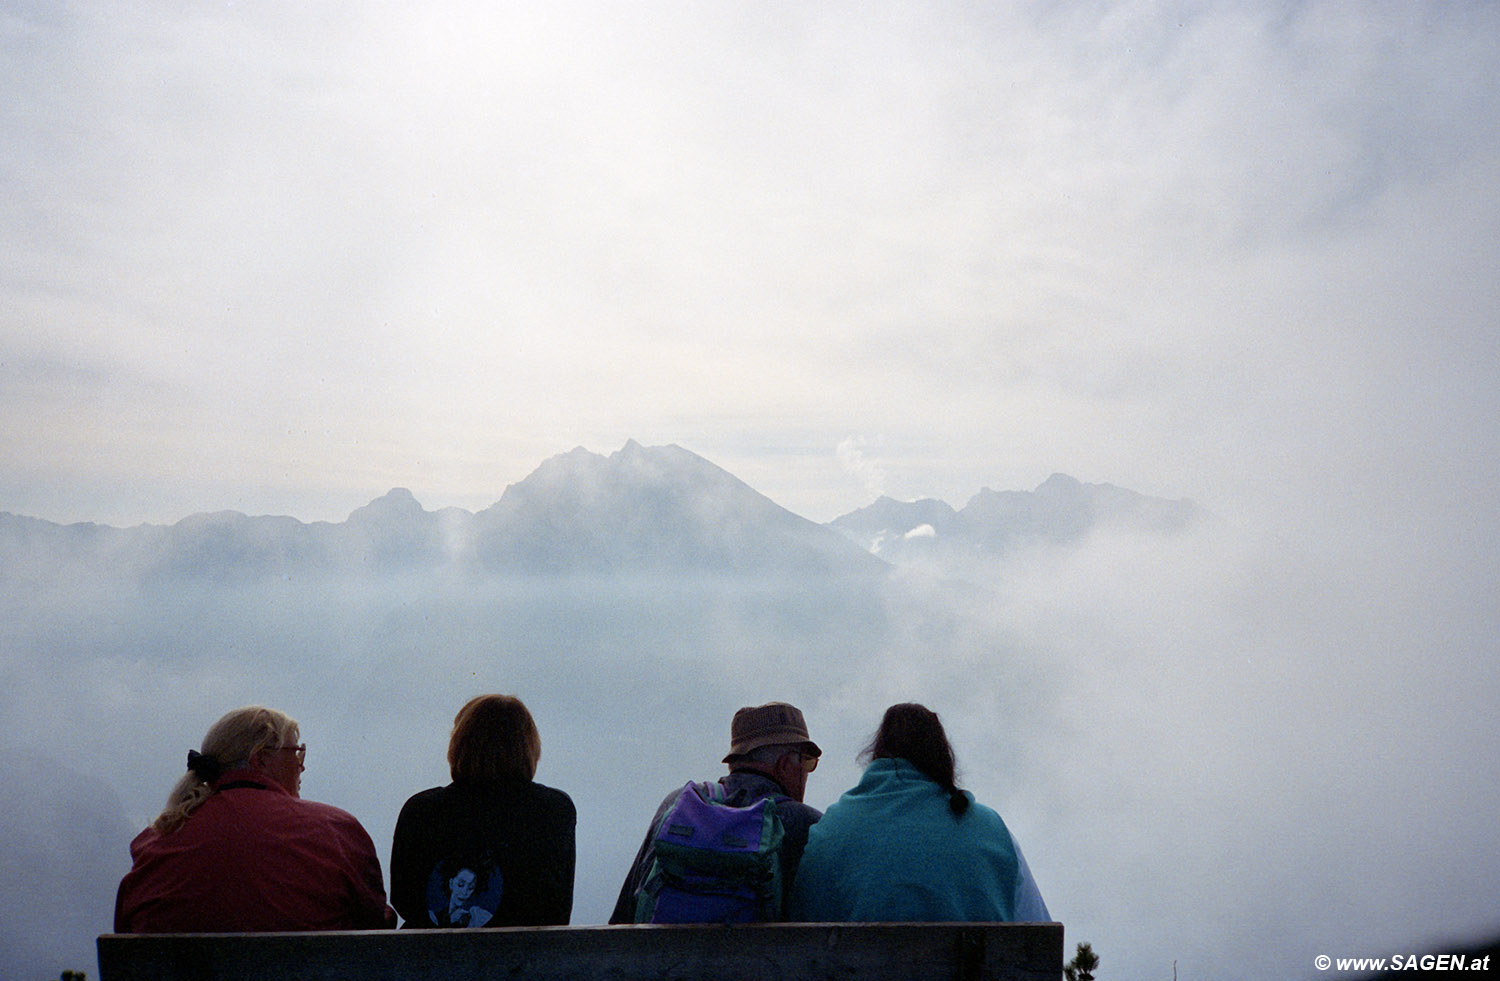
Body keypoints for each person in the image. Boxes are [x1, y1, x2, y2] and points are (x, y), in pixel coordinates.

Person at [114, 705, 394, 932]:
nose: (302, 766)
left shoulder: (153, 843)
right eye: (297, 753)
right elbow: (372, 927)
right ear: (260, 759)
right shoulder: (336, 831)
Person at [787, 702, 1049, 923]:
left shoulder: (831, 831)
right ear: (943, 759)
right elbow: (1037, 936)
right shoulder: (991, 830)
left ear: (877, 755)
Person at [609, 701, 823, 923]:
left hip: (656, 956)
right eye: (807, 762)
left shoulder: (677, 805)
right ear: (786, 765)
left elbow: (623, 916)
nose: (807, 772)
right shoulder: (805, 824)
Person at [391, 694, 575, 927]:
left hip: (433, 958)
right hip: (526, 959)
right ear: (528, 747)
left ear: (459, 744)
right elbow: (558, 908)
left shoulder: (421, 810)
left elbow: (404, 901)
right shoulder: (554, 809)